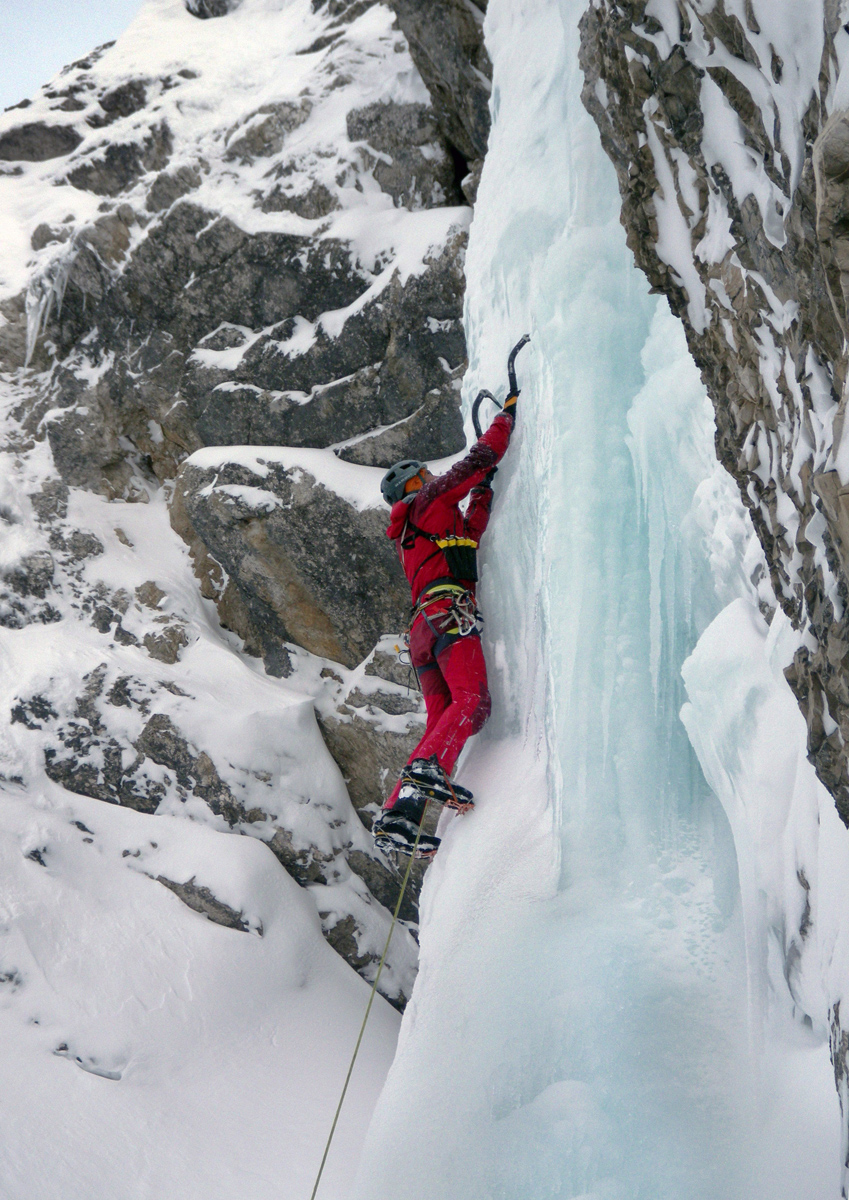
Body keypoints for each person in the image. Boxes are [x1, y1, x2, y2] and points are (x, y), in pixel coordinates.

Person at [372, 390, 518, 859]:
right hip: (447, 616)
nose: (434, 477)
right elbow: (475, 461)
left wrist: (486, 489)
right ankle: (433, 767)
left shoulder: (418, 531)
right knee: (473, 702)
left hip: (423, 633)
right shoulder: (428, 500)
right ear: (416, 482)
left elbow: (468, 534)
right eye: (426, 475)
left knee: (445, 717)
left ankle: (400, 814)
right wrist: (505, 419)